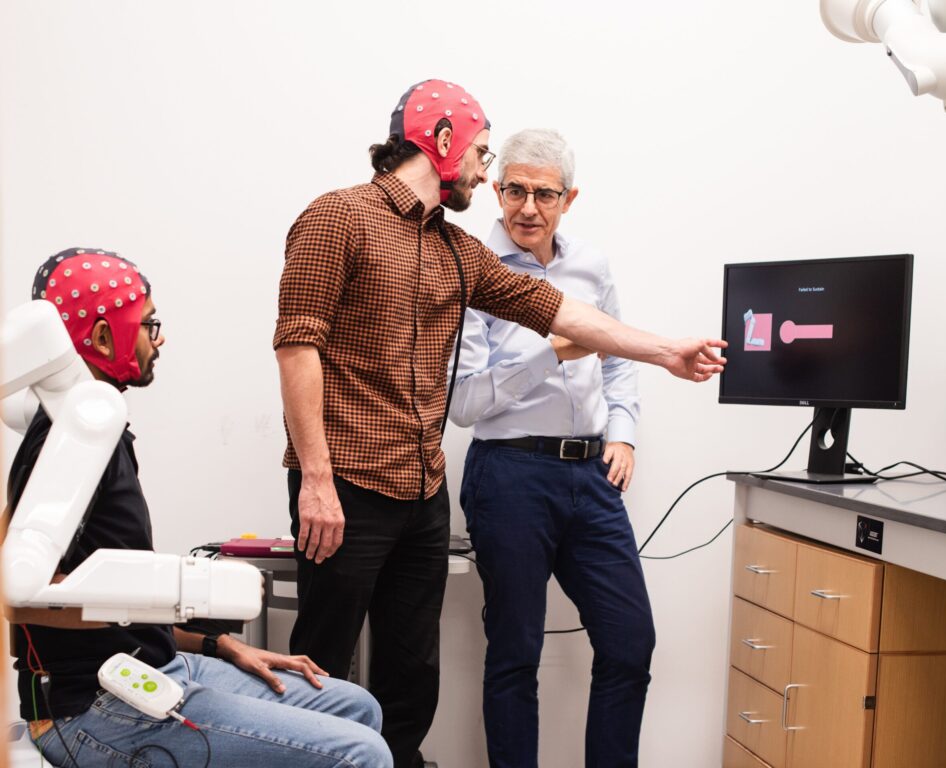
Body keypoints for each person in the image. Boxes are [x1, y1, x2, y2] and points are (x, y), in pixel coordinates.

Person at [274, 79, 726, 768]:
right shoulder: (338, 216)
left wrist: (665, 352)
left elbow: (560, 312)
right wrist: (315, 478)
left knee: (411, 677)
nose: (485, 173)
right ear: (443, 141)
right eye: (483, 154)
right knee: (324, 665)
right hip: (348, 485)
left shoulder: (457, 251)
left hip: (423, 491)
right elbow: (297, 345)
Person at [7, 248, 392, 768]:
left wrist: (221, 645)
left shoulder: (97, 431)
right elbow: (23, 596)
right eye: (148, 324)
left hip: (154, 666)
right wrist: (176, 594)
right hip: (92, 708)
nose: (159, 338)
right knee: (362, 754)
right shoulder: (67, 442)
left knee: (357, 707)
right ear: (101, 337)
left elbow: (114, 606)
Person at [449, 128, 660, 767]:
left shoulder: (590, 265)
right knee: (516, 654)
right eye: (515, 190)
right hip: (509, 474)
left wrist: (623, 435)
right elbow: (464, 403)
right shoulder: (473, 269)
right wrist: (552, 354)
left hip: (591, 476)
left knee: (630, 643)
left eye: (545, 194)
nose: (528, 208)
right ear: (496, 190)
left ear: (569, 199)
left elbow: (619, 359)